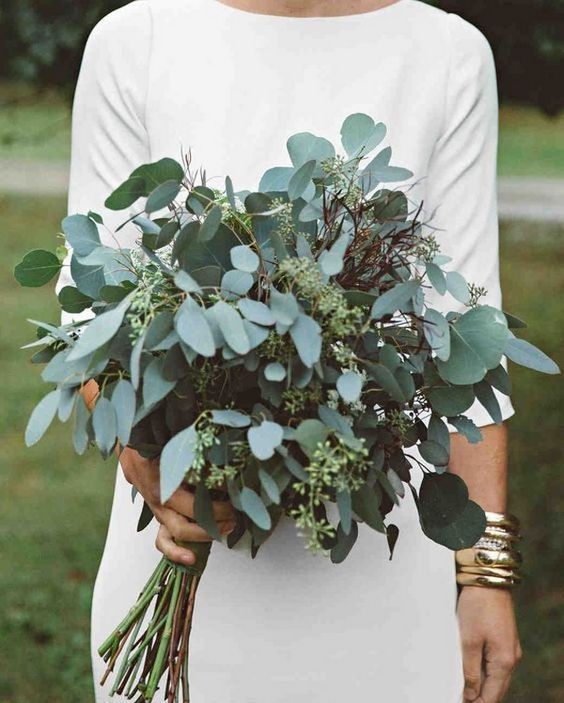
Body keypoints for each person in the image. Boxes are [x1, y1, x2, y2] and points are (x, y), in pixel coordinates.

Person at [60, 1, 523, 701]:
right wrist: (150, 462)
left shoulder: (450, 53)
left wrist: (485, 572)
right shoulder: (136, 40)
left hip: (384, 584)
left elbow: (468, 338)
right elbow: (92, 313)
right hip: (185, 555)